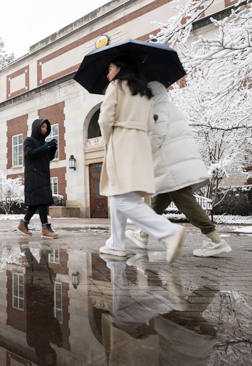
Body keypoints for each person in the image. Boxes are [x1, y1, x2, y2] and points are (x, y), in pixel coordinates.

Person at [125, 81, 232, 258]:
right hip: (175, 162)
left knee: (185, 202)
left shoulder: (158, 110)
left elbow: (156, 137)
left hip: (171, 164)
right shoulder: (169, 107)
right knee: (158, 202)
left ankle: (215, 240)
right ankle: (143, 235)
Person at [97, 55, 186, 263]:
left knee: (121, 197)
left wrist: (109, 140)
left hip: (122, 141)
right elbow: (149, 125)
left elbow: (104, 119)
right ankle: (116, 243)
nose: (107, 73)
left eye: (110, 68)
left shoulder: (116, 86)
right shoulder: (146, 92)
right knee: (120, 194)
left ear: (119, 68)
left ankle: (168, 232)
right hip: (140, 143)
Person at [17, 119, 59, 239]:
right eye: (42, 127)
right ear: (37, 127)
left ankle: (23, 223)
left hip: (43, 174)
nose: (45, 129)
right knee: (42, 200)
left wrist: (52, 148)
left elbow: (48, 158)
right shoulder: (29, 140)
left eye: (46, 127)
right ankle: (45, 227)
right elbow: (29, 154)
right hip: (34, 175)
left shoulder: (42, 142)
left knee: (36, 203)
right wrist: (45, 147)